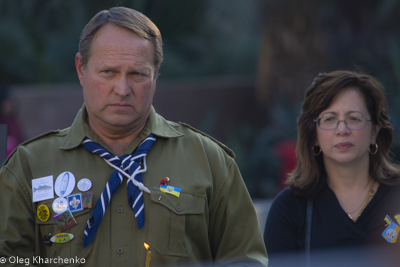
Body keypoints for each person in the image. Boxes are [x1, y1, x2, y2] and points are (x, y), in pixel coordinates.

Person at [0, 7, 268, 267]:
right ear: (81, 70)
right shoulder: (29, 167)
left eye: (138, 74)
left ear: (156, 74)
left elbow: (244, 260)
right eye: (109, 72)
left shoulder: (210, 162)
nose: (122, 89)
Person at [264, 70, 400, 266]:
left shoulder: (396, 197)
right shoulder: (290, 208)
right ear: (314, 136)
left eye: (354, 118)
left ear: (374, 132)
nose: (342, 130)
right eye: (329, 119)